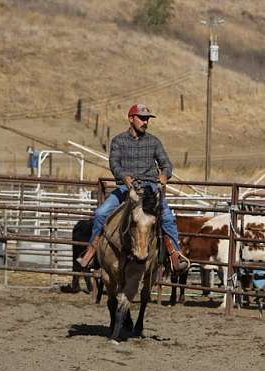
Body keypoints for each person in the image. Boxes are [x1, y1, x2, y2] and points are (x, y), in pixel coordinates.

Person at [76, 103, 187, 271]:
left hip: (150, 187)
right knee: (100, 213)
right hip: (125, 188)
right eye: (142, 118)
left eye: (147, 119)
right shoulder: (118, 141)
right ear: (131, 119)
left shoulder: (154, 142)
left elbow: (166, 164)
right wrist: (123, 177)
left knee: (167, 218)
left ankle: (174, 254)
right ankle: (92, 251)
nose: (145, 122)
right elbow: (114, 164)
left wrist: (165, 175)